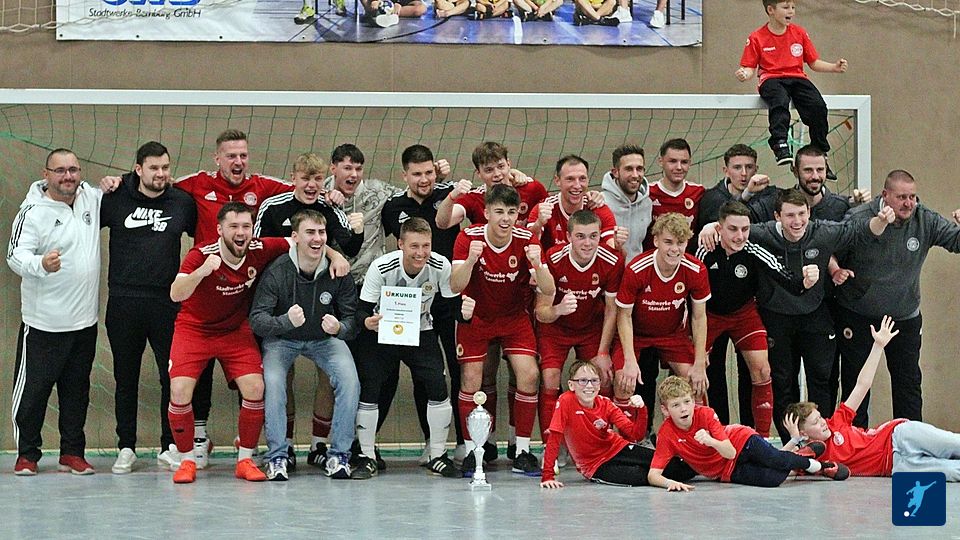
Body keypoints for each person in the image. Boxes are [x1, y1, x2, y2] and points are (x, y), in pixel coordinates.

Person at [699, 188, 893, 442]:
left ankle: (822, 439)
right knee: (780, 381)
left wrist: (881, 221)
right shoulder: (758, 234)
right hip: (768, 316)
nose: (797, 221)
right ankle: (785, 441)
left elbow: (860, 231)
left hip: (811, 314)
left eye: (802, 214)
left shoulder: (821, 232)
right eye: (790, 215)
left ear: (809, 213)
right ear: (777, 216)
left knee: (818, 377)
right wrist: (709, 227)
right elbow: (730, 228)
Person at [165, 202, 296, 484]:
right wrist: (202, 272)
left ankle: (245, 459)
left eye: (246, 226)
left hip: (235, 330)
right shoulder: (201, 254)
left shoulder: (260, 248)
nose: (240, 232)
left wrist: (334, 255)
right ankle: (187, 460)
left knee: (256, 387)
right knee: (179, 391)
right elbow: (176, 294)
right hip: (195, 329)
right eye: (233, 226)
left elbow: (300, 241)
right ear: (220, 229)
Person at [254, 152, 364, 470]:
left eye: (317, 179)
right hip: (280, 323)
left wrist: (339, 328)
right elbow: (257, 248)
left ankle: (331, 451)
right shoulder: (273, 210)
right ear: (294, 179)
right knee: (276, 381)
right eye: (306, 178)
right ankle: (280, 451)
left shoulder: (330, 210)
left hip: (321, 329)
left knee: (345, 379)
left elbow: (349, 248)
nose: (312, 185)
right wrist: (283, 320)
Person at [99, 142, 197, 474]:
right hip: (123, 301)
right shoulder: (116, 198)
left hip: (166, 303)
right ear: (138, 169)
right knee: (125, 377)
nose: (161, 174)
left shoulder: (181, 202)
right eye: (154, 168)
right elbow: (80, 220)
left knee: (171, 376)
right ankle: (126, 447)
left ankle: (170, 446)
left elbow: (203, 238)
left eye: (165, 167)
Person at [833, 169, 960, 427]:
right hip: (858, 314)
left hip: (904, 316)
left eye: (912, 197)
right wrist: (836, 270)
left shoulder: (924, 219)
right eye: (902, 197)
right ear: (885, 195)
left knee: (908, 383)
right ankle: (855, 440)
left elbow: (956, 243)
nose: (909, 203)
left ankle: (911, 440)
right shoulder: (861, 215)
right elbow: (832, 247)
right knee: (856, 384)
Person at [8, 149, 102, 476]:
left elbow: (121, 190)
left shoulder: (91, 198)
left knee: (77, 393)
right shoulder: (32, 212)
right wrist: (41, 264)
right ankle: (27, 454)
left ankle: (72, 453)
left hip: (84, 322)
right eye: (60, 170)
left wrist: (115, 182)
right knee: (33, 394)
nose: (68, 176)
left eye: (73, 169)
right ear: (45, 173)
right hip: (43, 324)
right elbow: (14, 256)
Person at [450, 184, 556, 476]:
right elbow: (455, 285)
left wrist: (538, 264)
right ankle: (473, 452)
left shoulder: (527, 239)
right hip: (476, 316)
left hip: (513, 318)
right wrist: (471, 260)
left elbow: (549, 289)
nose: (505, 218)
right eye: (499, 212)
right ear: (486, 213)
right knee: (471, 378)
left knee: (530, 374)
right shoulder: (468, 237)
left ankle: (521, 451)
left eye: (511, 212)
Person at [695, 201, 820, 437]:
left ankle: (761, 437)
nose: (740, 236)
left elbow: (784, 274)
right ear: (719, 228)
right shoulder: (705, 249)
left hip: (744, 315)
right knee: (698, 374)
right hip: (708, 316)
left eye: (745, 229)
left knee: (763, 370)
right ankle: (708, 435)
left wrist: (805, 282)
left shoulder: (753, 249)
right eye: (733, 229)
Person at [785, 316, 960, 481]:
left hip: (898, 437)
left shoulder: (836, 422)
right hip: (896, 465)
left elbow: (862, 385)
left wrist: (878, 345)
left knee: (954, 444)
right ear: (803, 433)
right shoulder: (810, 461)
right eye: (815, 422)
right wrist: (794, 439)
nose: (823, 422)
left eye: (820, 417)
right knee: (953, 471)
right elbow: (779, 467)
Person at [313, 143, 401, 466]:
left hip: (372, 291)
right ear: (333, 168)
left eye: (358, 168)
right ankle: (324, 444)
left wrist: (446, 178)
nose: (353, 174)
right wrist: (325, 198)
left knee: (383, 369)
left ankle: (366, 442)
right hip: (332, 290)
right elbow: (292, 193)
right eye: (346, 168)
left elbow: (417, 189)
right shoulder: (318, 193)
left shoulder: (378, 192)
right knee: (334, 371)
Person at [355, 217, 462, 478]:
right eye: (414, 246)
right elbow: (361, 310)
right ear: (400, 244)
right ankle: (366, 456)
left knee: (437, 385)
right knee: (371, 388)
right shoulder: (382, 267)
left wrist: (465, 314)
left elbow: (452, 306)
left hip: (421, 331)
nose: (421, 253)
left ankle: (437, 454)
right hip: (382, 333)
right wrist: (367, 322)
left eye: (426, 246)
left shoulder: (440, 265)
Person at [380, 144, 459, 467]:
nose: (424, 179)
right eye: (416, 174)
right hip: (412, 301)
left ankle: (463, 443)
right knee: (423, 374)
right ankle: (431, 443)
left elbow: (488, 197)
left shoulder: (450, 195)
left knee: (457, 369)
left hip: (449, 297)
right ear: (405, 176)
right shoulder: (393, 207)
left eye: (428, 172)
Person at [648, 375, 848, 490]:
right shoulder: (666, 433)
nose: (684, 409)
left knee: (774, 459)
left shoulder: (706, 414)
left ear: (693, 401)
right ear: (665, 410)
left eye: (687, 402)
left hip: (741, 442)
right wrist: (670, 483)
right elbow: (653, 475)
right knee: (773, 479)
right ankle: (801, 454)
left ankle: (820, 466)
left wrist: (710, 441)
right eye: (676, 405)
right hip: (725, 470)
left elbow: (730, 452)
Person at [696, 144, 774, 426]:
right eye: (738, 167)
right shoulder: (711, 199)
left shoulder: (768, 198)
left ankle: (753, 435)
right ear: (725, 169)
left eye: (749, 167)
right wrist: (709, 226)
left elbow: (775, 229)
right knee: (709, 372)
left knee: (755, 370)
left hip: (745, 306)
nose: (744, 173)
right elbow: (703, 236)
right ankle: (716, 432)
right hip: (710, 311)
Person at [536, 210, 622, 447]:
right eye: (580, 236)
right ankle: (552, 447)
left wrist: (603, 352)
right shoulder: (553, 258)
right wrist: (558, 309)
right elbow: (541, 312)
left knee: (603, 377)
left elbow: (612, 310)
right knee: (550, 377)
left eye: (593, 236)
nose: (587, 243)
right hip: (556, 328)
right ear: (568, 237)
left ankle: (600, 443)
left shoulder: (612, 260)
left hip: (591, 328)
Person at [614, 212, 710, 419]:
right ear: (656, 241)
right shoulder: (637, 269)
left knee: (697, 383)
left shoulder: (696, 269)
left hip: (672, 335)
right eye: (668, 242)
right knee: (624, 380)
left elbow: (699, 317)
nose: (674, 249)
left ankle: (698, 435)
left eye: (680, 243)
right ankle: (624, 436)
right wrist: (629, 360)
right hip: (636, 335)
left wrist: (700, 361)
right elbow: (624, 316)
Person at [539, 361, 696, 488]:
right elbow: (554, 437)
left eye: (594, 381)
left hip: (618, 449)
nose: (589, 386)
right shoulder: (566, 401)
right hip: (595, 465)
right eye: (582, 381)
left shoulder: (605, 403)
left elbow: (635, 434)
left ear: (599, 384)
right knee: (639, 475)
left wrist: (641, 410)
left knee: (673, 466)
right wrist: (547, 476)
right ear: (571, 385)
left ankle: (707, 465)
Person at [737, 0, 847, 178]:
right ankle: (780, 142)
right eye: (786, 7)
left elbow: (813, 62)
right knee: (780, 100)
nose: (791, 11)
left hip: (797, 78)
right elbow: (749, 66)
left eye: (793, 7)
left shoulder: (799, 33)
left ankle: (819, 150)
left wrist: (834, 67)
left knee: (818, 106)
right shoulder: (757, 37)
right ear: (771, 10)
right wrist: (745, 73)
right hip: (771, 78)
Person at [435, 141, 547, 230]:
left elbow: (551, 219)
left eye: (501, 166)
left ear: (509, 164)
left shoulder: (532, 188)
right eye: (489, 170)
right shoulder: (473, 198)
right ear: (478, 173)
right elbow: (442, 223)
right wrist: (452, 196)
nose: (497, 174)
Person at [528, 155, 620, 252]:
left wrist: (619, 246)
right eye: (570, 179)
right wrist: (539, 224)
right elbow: (527, 244)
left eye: (582, 178)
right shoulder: (544, 209)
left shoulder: (596, 206)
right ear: (557, 181)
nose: (577, 185)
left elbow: (612, 249)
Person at [646, 138, 705, 251]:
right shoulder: (647, 193)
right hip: (653, 258)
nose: (679, 167)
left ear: (690, 163)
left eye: (684, 162)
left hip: (687, 258)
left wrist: (711, 225)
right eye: (672, 161)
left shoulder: (698, 192)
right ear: (660, 162)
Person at [601, 144, 652, 262]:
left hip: (635, 271)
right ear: (615, 172)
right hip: (608, 271)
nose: (635, 175)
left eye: (639, 169)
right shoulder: (600, 203)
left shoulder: (647, 204)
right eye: (629, 169)